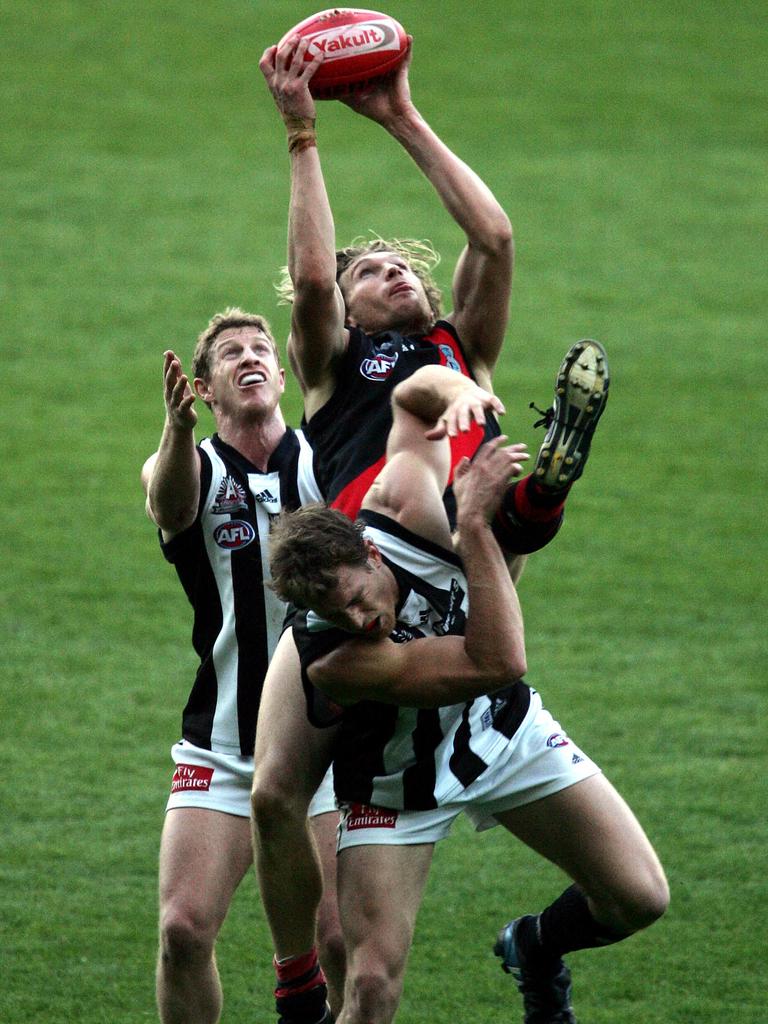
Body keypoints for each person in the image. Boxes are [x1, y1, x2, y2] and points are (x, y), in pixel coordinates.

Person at [252, 32, 609, 1024]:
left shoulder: (467, 348)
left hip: (453, 581)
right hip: (352, 585)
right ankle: (294, 982)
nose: (388, 279)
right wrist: (302, 135)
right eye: (373, 279)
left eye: (398, 271)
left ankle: (529, 503)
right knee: (277, 793)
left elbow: (493, 239)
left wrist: (402, 116)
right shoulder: (334, 365)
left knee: (489, 528)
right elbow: (314, 281)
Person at [267, 365, 669, 1024]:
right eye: (336, 615)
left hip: (500, 735)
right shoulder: (332, 660)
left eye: (358, 600)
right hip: (397, 788)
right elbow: (500, 659)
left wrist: (461, 395)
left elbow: (408, 395)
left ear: (370, 553)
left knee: (639, 896)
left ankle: (536, 948)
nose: (360, 622)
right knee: (369, 989)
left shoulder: (402, 497)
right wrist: (476, 529)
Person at [140, 309, 344, 1024]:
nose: (251, 358)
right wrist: (175, 430)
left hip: (320, 745)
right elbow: (168, 505)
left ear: (284, 378)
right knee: (182, 931)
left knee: (338, 940)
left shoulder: (328, 458)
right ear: (204, 387)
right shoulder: (190, 465)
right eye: (231, 355)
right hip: (221, 746)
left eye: (262, 350)